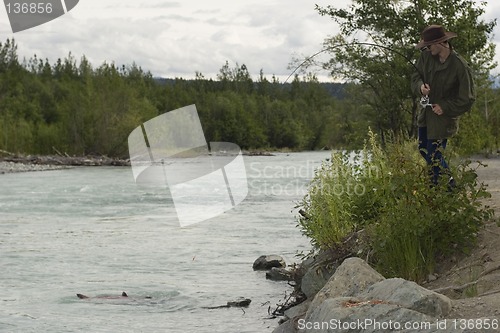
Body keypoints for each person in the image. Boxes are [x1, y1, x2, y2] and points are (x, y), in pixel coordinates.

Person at [411, 24, 475, 186]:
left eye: (429, 45)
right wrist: (420, 87)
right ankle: (448, 184)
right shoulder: (425, 57)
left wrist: (445, 106)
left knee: (434, 156)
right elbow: (414, 78)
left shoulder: (460, 66)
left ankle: (444, 190)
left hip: (443, 120)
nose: (427, 48)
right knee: (423, 150)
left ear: (440, 43)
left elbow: (467, 98)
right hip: (425, 116)